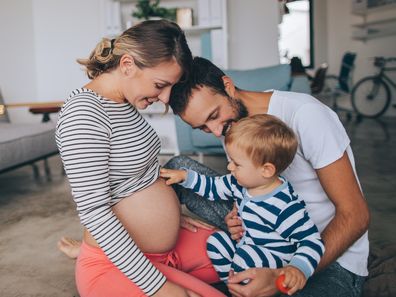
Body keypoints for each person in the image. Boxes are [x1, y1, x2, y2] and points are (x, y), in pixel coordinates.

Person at [166, 56, 370, 297]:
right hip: (263, 237)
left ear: (228, 86)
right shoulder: (230, 125)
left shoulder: (305, 115)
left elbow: (356, 215)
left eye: (213, 116)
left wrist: (285, 275)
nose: (215, 132)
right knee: (177, 168)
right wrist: (237, 212)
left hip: (326, 255)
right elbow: (249, 184)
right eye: (202, 128)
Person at [56, 21, 226, 297]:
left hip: (159, 248)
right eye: (160, 85)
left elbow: (135, 177)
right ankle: (89, 260)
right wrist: (159, 287)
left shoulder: (122, 101)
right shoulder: (84, 116)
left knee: (241, 258)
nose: (166, 98)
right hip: (115, 263)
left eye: (170, 86)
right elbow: (95, 212)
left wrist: (169, 216)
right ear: (127, 65)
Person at [160, 114, 325, 295]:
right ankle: (234, 286)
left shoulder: (284, 206)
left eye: (236, 164)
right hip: (246, 245)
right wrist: (185, 177)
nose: (230, 168)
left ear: (266, 170)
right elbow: (213, 187)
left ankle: (242, 285)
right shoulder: (239, 183)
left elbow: (311, 241)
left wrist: (297, 268)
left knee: (246, 258)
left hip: (272, 259)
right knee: (216, 242)